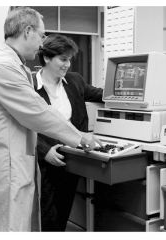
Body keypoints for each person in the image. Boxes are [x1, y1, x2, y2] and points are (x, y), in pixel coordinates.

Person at [0, 7, 102, 232]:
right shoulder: (4, 67)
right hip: (7, 166)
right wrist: (80, 137)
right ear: (27, 31)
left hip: (13, 162)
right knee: (8, 227)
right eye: (42, 35)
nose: (42, 41)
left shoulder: (11, 64)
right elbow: (38, 113)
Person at [34, 34, 104, 231]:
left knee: (63, 213)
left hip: (71, 158)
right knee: (46, 218)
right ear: (47, 58)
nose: (68, 64)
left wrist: (133, 92)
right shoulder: (29, 86)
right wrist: (44, 151)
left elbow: (101, 94)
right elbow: (21, 124)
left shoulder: (74, 81)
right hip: (45, 162)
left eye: (69, 59)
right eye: (63, 59)